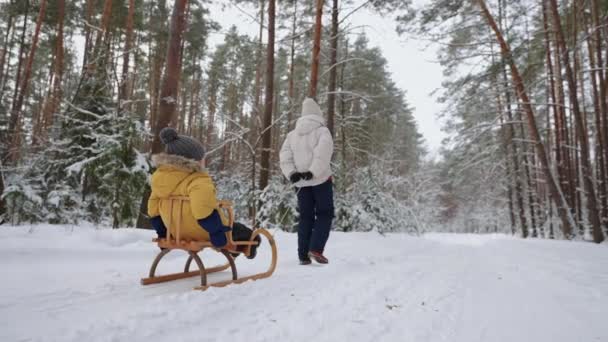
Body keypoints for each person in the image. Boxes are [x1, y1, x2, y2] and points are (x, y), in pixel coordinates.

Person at [147, 127, 260, 258]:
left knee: (233, 230)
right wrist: (216, 233)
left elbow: (153, 211)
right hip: (205, 232)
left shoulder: (158, 180)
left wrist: (163, 233)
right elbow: (202, 211)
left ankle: (233, 250)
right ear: (193, 160)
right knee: (249, 234)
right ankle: (244, 249)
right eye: (202, 157)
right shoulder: (199, 180)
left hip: (176, 232)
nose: (204, 160)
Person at [280, 98, 334, 265]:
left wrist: (292, 174)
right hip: (320, 180)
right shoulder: (322, 131)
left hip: (301, 184)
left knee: (305, 217)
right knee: (325, 213)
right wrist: (313, 172)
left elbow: (284, 157)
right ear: (318, 114)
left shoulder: (291, 135)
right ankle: (316, 248)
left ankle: (303, 255)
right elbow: (323, 154)